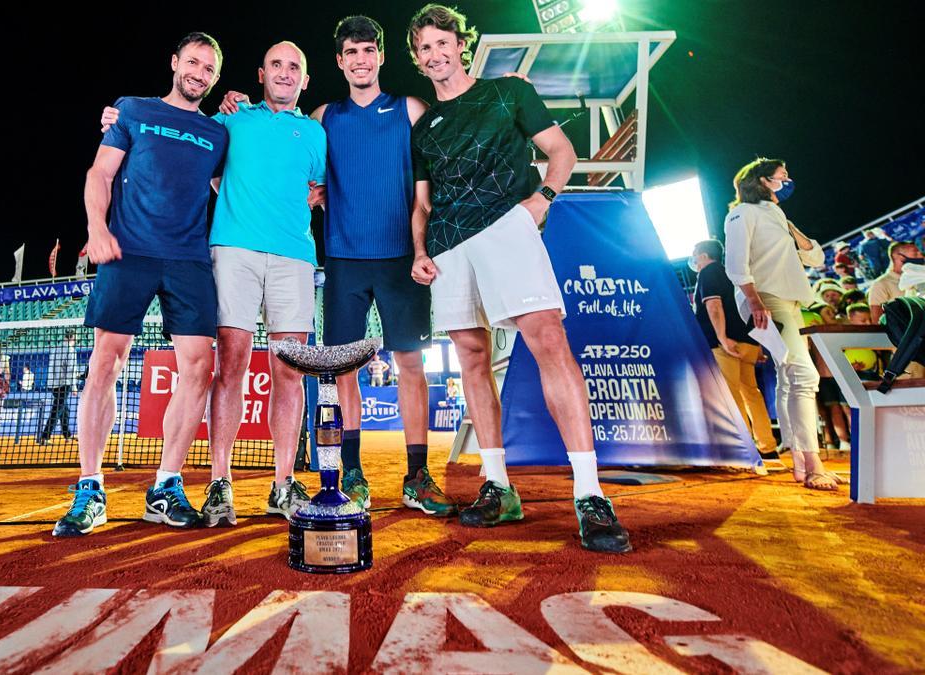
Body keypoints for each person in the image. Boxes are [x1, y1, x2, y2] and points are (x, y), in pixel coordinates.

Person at [211, 16, 462, 517]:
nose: (361, 59)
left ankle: (417, 475)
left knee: (410, 364)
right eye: (351, 52)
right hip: (342, 260)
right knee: (342, 369)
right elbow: (291, 175)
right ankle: (351, 472)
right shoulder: (323, 117)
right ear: (339, 61)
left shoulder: (409, 108)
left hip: (398, 258)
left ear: (381, 57)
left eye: (369, 50)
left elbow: (441, 150)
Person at [406, 4, 630, 552]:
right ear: (417, 59)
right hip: (448, 248)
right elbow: (421, 203)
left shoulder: (509, 91)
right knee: (473, 361)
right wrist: (419, 250)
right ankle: (498, 486)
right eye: (424, 49)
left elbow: (562, 151)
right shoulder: (424, 126)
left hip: (507, 228)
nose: (435, 54)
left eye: (443, 43)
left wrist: (541, 200)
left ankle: (589, 494)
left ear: (462, 44)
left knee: (549, 342)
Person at [106, 40, 326, 527]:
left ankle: (283, 484)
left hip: (294, 258)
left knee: (289, 373)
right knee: (231, 366)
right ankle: (220, 483)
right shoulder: (228, 122)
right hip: (232, 252)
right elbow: (190, 155)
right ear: (260, 74)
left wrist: (309, 198)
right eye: (276, 66)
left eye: (295, 67)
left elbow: (319, 186)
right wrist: (115, 120)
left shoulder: (315, 134)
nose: (285, 74)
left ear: (305, 81)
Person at [54, 33, 228, 537]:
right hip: (127, 252)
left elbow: (233, 185)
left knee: (199, 365)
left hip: (189, 259)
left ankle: (166, 487)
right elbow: (100, 173)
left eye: (209, 68)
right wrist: (96, 228)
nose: (199, 72)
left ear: (215, 78)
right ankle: (90, 488)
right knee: (105, 360)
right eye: (192, 61)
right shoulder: (132, 110)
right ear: (174, 62)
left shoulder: (218, 133)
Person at [723, 157, 837, 490]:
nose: (788, 182)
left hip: (789, 301)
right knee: (803, 374)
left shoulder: (775, 215)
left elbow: (815, 256)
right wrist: (756, 302)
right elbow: (735, 263)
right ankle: (812, 464)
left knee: (791, 379)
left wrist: (787, 223)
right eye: (781, 177)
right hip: (768, 300)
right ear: (761, 181)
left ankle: (802, 462)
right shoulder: (741, 214)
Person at [689, 239, 778, 459]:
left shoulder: (708, 272)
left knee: (732, 396)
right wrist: (756, 344)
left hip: (725, 343)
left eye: (694, 254)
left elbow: (714, 305)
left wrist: (722, 337)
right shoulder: (734, 273)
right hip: (746, 341)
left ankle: (743, 449)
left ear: (702, 255)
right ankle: (767, 447)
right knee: (752, 393)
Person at [39, 328, 78, 445]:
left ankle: (68, 435)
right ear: (73, 338)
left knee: (64, 409)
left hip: (53, 384)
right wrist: (74, 386)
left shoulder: (55, 349)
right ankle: (45, 437)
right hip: (64, 384)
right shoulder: (70, 350)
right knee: (56, 410)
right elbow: (70, 370)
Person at [868, 241, 923, 322]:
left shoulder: (921, 276)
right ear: (898, 257)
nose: (921, 256)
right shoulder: (881, 284)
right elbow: (877, 320)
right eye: (915, 253)